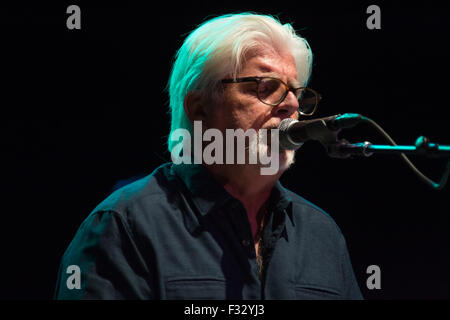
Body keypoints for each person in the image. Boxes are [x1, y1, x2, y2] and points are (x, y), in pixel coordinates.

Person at [54, 13, 363, 300]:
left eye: (295, 91)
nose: (290, 105)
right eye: (266, 87)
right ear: (200, 108)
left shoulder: (322, 233)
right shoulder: (124, 226)